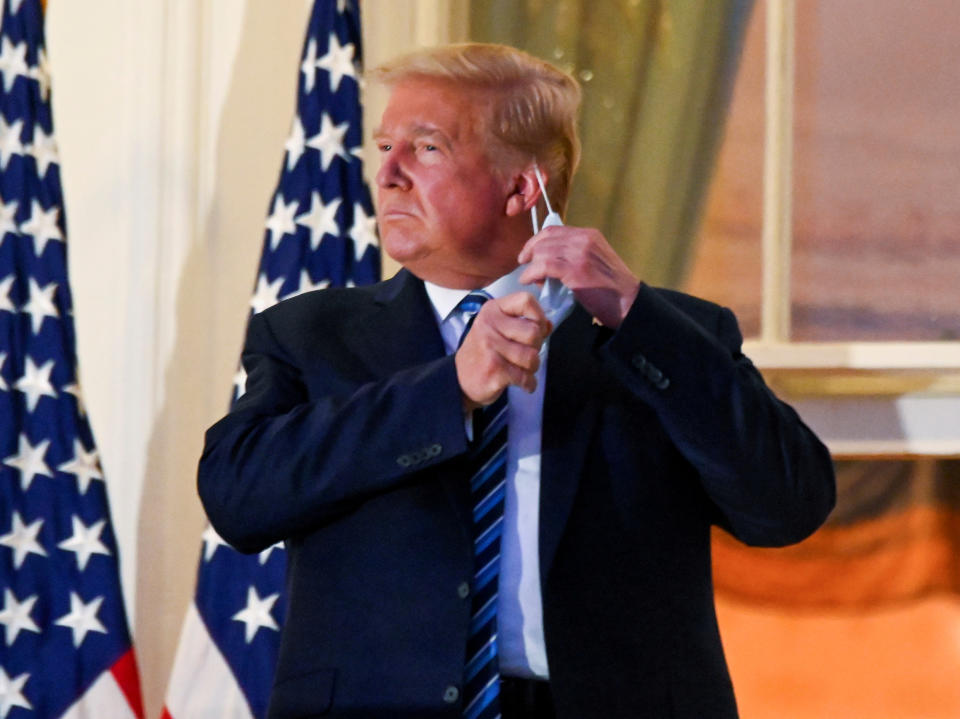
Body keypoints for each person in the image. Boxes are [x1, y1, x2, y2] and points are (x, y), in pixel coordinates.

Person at [198, 43, 835, 719]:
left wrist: (637, 319)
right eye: (385, 146)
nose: (387, 174)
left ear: (522, 187)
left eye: (427, 148)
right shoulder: (309, 334)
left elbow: (788, 504)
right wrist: (449, 391)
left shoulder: (668, 336)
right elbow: (238, 497)